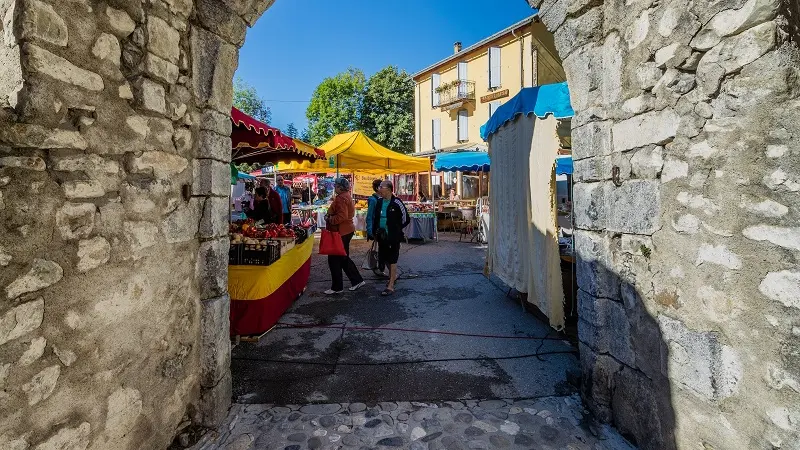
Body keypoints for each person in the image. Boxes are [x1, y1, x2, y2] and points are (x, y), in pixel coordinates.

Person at [324, 177, 366, 295]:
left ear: (340, 187)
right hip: (346, 230)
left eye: (336, 186)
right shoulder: (346, 196)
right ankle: (355, 281)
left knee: (335, 259)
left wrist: (329, 219)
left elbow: (341, 216)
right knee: (342, 258)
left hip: (341, 231)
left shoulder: (341, 198)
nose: (334, 188)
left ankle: (338, 287)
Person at [372, 180, 410, 296]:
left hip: (393, 236)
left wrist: (396, 229)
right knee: (384, 258)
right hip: (382, 236)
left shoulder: (397, 202)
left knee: (393, 258)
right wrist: (374, 232)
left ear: (388, 189)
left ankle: (391, 285)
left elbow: (406, 219)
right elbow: (376, 218)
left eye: (381, 187)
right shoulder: (379, 202)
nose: (379, 189)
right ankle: (393, 276)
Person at [365, 179, 386, 277]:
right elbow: (369, 216)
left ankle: (381, 268)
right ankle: (376, 267)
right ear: (377, 188)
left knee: (382, 250)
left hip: (383, 228)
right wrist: (370, 231)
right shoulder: (373, 200)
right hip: (376, 229)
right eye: (382, 186)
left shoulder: (382, 198)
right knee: (377, 250)